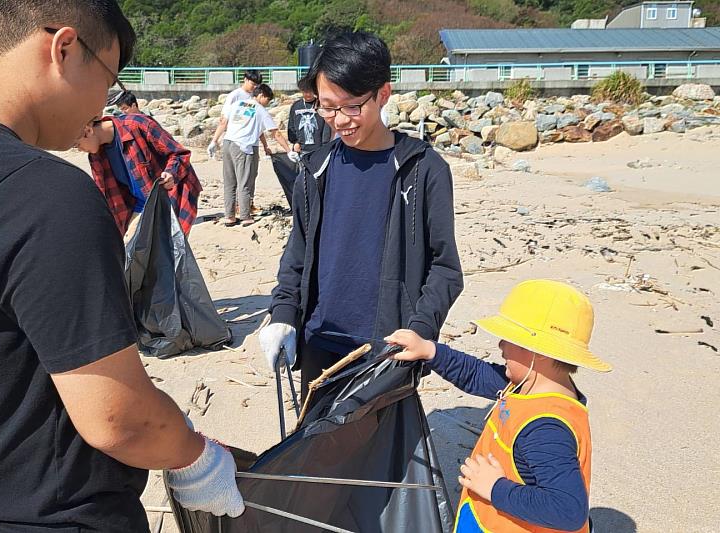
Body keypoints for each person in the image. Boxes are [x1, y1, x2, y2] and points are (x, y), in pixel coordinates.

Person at [0, 2, 242, 531]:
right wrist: (198, 458)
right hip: (47, 515)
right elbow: (118, 418)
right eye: (108, 80)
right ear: (64, 48)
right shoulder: (40, 194)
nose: (102, 105)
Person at [258, 31, 463, 402]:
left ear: (383, 94)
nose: (339, 120)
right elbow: (298, 253)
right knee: (316, 455)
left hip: (388, 347)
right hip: (320, 340)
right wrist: (284, 314)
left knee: (379, 456)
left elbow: (445, 268)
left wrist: (419, 331)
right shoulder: (315, 168)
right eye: (327, 107)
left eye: (352, 107)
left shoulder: (423, 169)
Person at [386, 279, 612, 532]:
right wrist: (429, 350)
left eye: (509, 338)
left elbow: (568, 510)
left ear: (540, 351)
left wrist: (495, 488)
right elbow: (475, 374)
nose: (501, 345)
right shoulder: (528, 384)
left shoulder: (545, 430)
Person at [75, 112, 202, 243]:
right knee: (130, 249)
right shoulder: (96, 155)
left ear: (88, 131)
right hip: (139, 205)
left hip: (171, 199)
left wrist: (171, 173)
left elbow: (179, 154)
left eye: (77, 144)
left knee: (171, 252)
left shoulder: (137, 124)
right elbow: (105, 194)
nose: (79, 149)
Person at [210, 83, 293, 227]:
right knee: (245, 182)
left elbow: (224, 122)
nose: (268, 103)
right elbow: (275, 133)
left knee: (230, 182)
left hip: (228, 144)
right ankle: (245, 216)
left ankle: (229, 216)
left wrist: (214, 141)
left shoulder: (238, 104)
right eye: (268, 100)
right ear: (261, 96)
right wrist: (288, 150)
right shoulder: (260, 110)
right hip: (244, 147)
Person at [287, 76, 332, 156]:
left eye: (310, 91)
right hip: (301, 149)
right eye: (305, 91)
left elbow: (327, 126)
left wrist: (325, 145)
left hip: (319, 148)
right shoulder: (296, 106)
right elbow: (291, 126)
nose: (307, 94)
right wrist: (295, 142)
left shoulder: (321, 104)